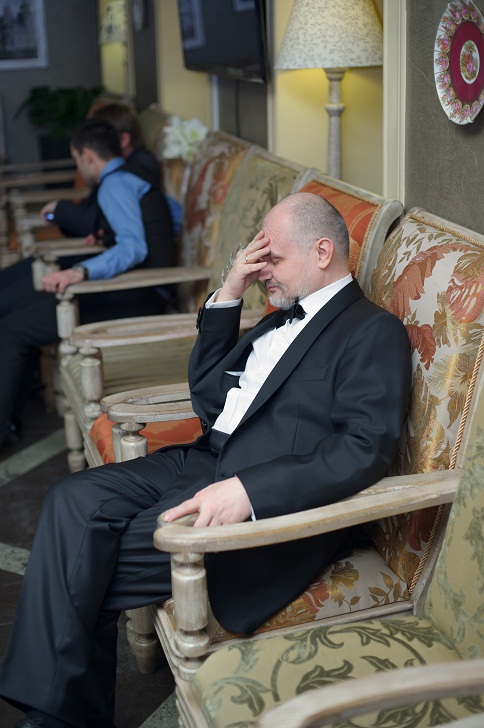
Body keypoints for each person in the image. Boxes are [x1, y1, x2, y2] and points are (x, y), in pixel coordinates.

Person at [0, 192, 411, 728]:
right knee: (69, 499)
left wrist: (250, 491)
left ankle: (54, 720)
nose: (262, 271)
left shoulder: (371, 330)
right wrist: (230, 291)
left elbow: (364, 446)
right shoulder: (277, 319)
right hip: (200, 460)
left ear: (322, 251)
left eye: (272, 259)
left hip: (254, 495)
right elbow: (209, 394)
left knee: (82, 566)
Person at [0, 117, 176, 449]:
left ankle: (5, 423)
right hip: (136, 287)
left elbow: (134, 247)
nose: (80, 168)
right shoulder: (134, 177)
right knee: (22, 309)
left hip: (138, 294)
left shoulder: (114, 185)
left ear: (88, 157)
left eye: (77, 160)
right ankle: (10, 417)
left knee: (13, 328)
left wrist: (79, 271)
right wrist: (107, 235)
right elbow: (172, 215)